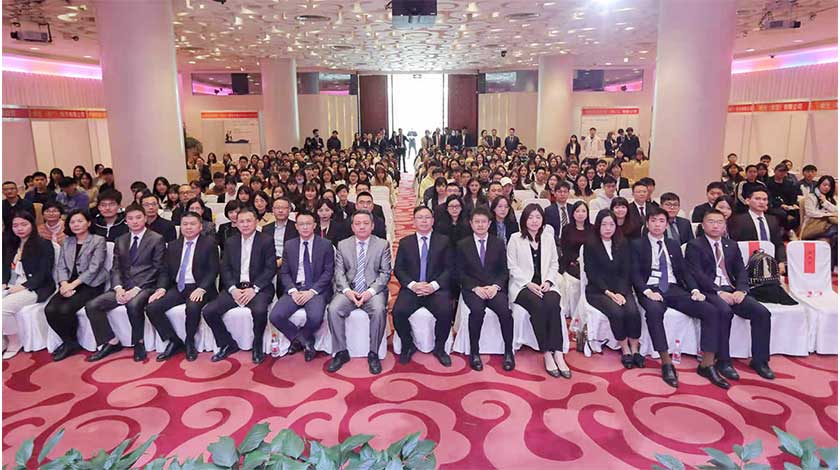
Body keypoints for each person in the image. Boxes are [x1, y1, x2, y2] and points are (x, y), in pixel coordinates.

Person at [631, 207, 726, 388]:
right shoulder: (637, 245)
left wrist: (694, 289)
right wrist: (646, 291)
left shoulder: (673, 244)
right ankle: (666, 362)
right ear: (647, 223)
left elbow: (683, 271)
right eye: (653, 221)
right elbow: (634, 273)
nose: (657, 225)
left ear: (666, 225)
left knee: (711, 311)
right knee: (654, 311)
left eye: (661, 221)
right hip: (650, 289)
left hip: (673, 288)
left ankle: (707, 364)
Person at [685, 210, 775, 382]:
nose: (715, 226)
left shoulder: (731, 245)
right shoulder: (695, 245)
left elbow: (741, 271)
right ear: (703, 225)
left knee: (762, 313)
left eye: (719, 222)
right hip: (710, 291)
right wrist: (718, 292)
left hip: (733, 289)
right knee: (724, 311)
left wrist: (741, 290)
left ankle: (760, 361)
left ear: (725, 226)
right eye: (711, 222)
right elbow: (697, 274)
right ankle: (723, 361)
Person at [85, 203, 166, 362]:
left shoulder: (157, 239)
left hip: (146, 286)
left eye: (138, 217)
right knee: (92, 305)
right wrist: (118, 288)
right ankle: (110, 341)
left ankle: (139, 343)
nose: (134, 221)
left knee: (133, 304)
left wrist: (136, 289)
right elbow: (115, 268)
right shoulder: (121, 240)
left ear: (145, 219)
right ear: (126, 221)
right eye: (130, 218)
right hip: (123, 286)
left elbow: (157, 268)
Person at [202, 207, 276, 364]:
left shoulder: (266, 240)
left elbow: (270, 268)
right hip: (235, 288)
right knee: (209, 311)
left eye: (249, 221)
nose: (245, 224)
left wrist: (254, 289)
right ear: (236, 224)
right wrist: (232, 289)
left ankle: (257, 345)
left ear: (256, 222)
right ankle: (227, 343)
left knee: (260, 311)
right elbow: (225, 268)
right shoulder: (231, 242)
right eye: (241, 221)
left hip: (258, 288)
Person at [145, 212, 219, 362]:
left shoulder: (209, 244)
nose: (188, 227)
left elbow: (213, 270)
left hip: (200, 287)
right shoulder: (173, 245)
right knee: (152, 307)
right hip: (179, 287)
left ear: (200, 226)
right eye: (185, 224)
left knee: (192, 307)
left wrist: (202, 288)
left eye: (192, 224)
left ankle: (189, 341)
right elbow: (165, 271)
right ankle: (174, 341)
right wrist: (161, 288)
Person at [326, 210, 393, 375]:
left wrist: (369, 293)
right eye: (357, 224)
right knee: (333, 309)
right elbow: (339, 273)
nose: (362, 227)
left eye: (365, 223)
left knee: (379, 310)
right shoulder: (343, 245)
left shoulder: (382, 244)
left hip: (373, 291)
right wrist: (348, 292)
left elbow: (385, 274)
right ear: (352, 227)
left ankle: (374, 353)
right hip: (349, 290)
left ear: (372, 226)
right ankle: (341, 352)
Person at [507, 204, 567, 378]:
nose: (534, 221)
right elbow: (512, 266)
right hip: (522, 286)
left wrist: (548, 281)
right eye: (530, 217)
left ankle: (558, 353)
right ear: (524, 220)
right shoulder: (515, 238)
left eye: (538, 217)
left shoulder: (548, 238)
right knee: (538, 306)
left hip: (545, 284)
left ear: (543, 220)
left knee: (553, 304)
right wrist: (528, 283)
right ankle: (547, 352)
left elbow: (554, 263)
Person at [269, 211, 334, 362]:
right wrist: (292, 291)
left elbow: (328, 272)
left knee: (315, 317)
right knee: (275, 316)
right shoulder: (289, 245)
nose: (305, 227)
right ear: (296, 226)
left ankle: (299, 340)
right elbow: (284, 272)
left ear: (314, 225)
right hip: (295, 288)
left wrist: (312, 291)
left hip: (316, 290)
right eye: (301, 224)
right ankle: (305, 341)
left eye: (308, 224)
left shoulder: (325, 245)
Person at [456, 206, 514, 372]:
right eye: (477, 222)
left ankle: (508, 351)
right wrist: (475, 288)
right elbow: (459, 272)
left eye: (483, 222)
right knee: (477, 311)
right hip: (473, 289)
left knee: (505, 312)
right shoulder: (463, 245)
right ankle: (474, 352)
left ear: (489, 224)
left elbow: (504, 271)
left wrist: (495, 286)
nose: (480, 225)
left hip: (494, 288)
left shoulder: (498, 243)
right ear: (471, 224)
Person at [392, 207, 453, 366]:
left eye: (427, 217)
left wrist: (433, 286)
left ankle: (439, 348)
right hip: (413, 289)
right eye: (420, 217)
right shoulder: (405, 242)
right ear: (414, 221)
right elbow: (399, 269)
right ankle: (407, 345)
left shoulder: (444, 241)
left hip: (435, 289)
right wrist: (413, 285)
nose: (424, 221)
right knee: (398, 312)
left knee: (446, 311)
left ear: (433, 220)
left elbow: (449, 268)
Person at [584, 209, 643, 369]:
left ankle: (635, 349)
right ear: (598, 226)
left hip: (621, 288)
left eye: (611, 224)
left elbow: (626, 270)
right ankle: (625, 349)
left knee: (632, 311)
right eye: (604, 224)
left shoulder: (623, 243)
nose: (608, 228)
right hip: (598, 290)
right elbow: (592, 273)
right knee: (617, 312)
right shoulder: (590, 244)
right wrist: (609, 293)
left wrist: (621, 292)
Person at [2, 211, 55, 359]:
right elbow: (5, 267)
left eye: (24, 224)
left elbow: (44, 273)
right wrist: (4, 282)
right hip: (12, 284)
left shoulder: (44, 244)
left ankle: (14, 340)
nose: (19, 228)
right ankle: (3, 340)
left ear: (32, 224)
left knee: (2, 308)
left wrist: (23, 286)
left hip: (36, 287)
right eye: (15, 225)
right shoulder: (11, 244)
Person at [728, 188, 786, 272]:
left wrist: (781, 261)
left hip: (770, 262)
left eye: (764, 199)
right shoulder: (738, 220)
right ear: (748, 201)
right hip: (747, 263)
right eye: (757, 199)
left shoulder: (773, 220)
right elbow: (734, 243)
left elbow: (778, 243)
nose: (761, 202)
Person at [801, 175, 838, 266]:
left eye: (829, 186)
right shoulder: (811, 197)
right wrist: (827, 214)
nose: (826, 187)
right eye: (824, 185)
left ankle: (830, 266)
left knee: (836, 237)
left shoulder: (829, 198)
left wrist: (825, 202)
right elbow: (811, 213)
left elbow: (836, 210)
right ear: (819, 184)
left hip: (826, 227)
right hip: (813, 226)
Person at [262, 197, 299, 274]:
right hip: (269, 263)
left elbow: (296, 250)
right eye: (277, 208)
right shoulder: (266, 228)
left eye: (284, 208)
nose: (280, 211)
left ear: (289, 210)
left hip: (289, 264)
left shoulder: (296, 227)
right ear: (273, 210)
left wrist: (281, 261)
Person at [765, 163, 801, 234]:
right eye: (780, 171)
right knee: (782, 213)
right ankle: (782, 231)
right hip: (773, 205)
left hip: (787, 205)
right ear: (775, 171)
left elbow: (793, 195)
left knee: (797, 212)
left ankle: (790, 231)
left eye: (784, 171)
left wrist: (793, 204)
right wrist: (780, 205)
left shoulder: (789, 183)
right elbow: (769, 196)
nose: (782, 173)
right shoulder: (768, 182)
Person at [559, 201, 591, 277]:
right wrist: (576, 260)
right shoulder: (566, 229)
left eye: (583, 211)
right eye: (577, 211)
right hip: (571, 263)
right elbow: (564, 249)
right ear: (573, 213)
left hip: (589, 263)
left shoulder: (593, 229)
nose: (580, 214)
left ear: (587, 213)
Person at [544, 182, 574, 250]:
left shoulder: (573, 209)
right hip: (556, 242)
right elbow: (548, 231)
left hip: (573, 241)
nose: (562, 194)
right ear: (554, 193)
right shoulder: (549, 210)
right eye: (560, 192)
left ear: (568, 194)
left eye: (565, 192)